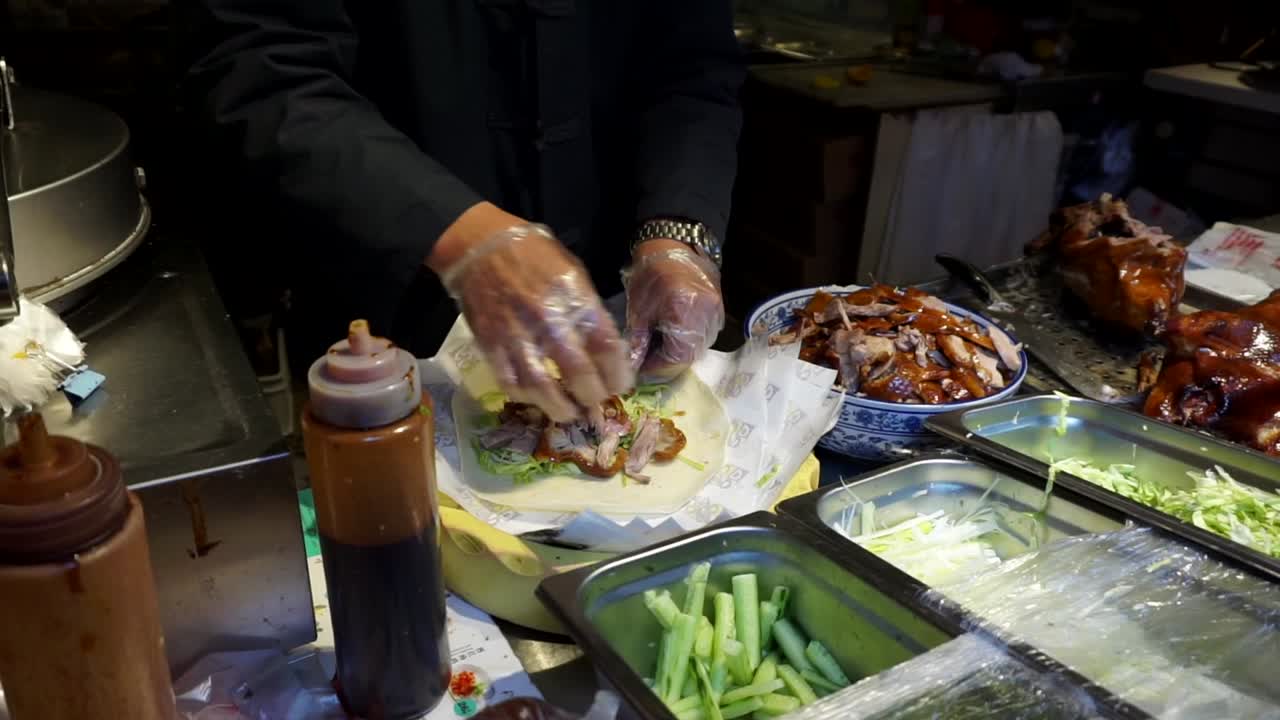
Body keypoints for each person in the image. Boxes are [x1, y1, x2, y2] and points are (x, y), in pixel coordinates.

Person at [186, 1, 744, 422]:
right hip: (386, 316)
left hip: (614, 294)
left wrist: (676, 232)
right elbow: (261, 70)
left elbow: (691, 68)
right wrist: (458, 235)